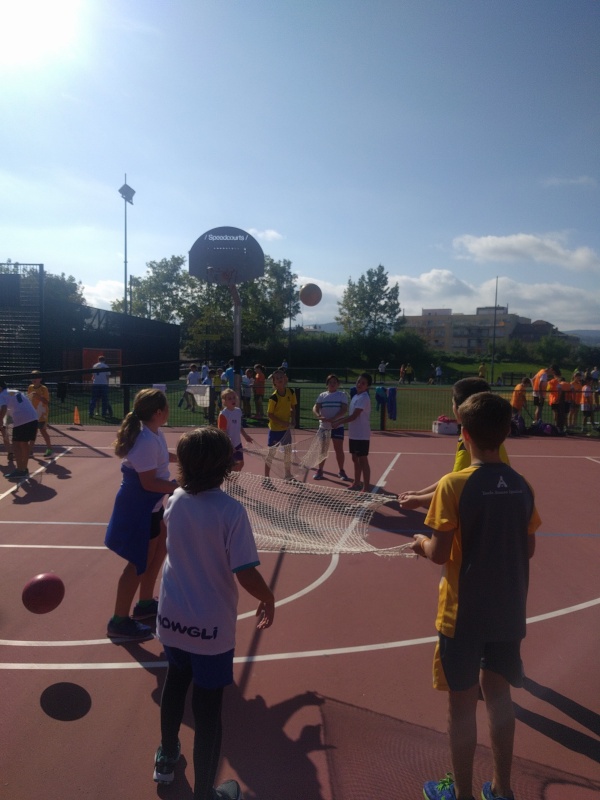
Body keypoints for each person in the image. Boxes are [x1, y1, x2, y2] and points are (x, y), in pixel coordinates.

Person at [409, 392, 540, 800]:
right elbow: (528, 548)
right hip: (508, 610)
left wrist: (419, 544)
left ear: (464, 435)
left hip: (462, 614)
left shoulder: (454, 485)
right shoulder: (521, 485)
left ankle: (462, 794)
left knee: (461, 705)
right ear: (506, 433)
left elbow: (439, 553)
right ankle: (501, 789)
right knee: (499, 696)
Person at [154, 426, 275, 799]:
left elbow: (171, 537)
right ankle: (205, 793)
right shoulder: (230, 511)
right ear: (225, 467)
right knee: (207, 708)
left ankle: (166, 756)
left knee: (176, 682)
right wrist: (268, 597)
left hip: (171, 616)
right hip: (209, 627)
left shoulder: (174, 499)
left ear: (184, 465)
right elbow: (245, 572)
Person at [105, 388, 178, 640]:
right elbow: (148, 483)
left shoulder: (154, 433)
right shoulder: (145, 440)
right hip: (139, 505)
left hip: (152, 504)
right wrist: (180, 487)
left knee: (158, 551)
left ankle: (145, 603)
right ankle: (119, 620)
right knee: (138, 561)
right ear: (158, 412)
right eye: (166, 407)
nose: (168, 411)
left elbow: (160, 457)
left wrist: (184, 457)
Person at [399, 378, 510, 510]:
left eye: (453, 403)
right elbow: (453, 479)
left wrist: (419, 500)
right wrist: (420, 493)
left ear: (460, 408)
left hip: (479, 508)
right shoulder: (489, 434)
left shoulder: (469, 443)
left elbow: (455, 489)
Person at [331, 373, 372, 492]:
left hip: (362, 434)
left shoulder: (364, 398)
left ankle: (366, 487)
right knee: (355, 458)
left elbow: (354, 416)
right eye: (358, 382)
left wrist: (339, 422)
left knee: (362, 460)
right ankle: (357, 482)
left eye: (363, 383)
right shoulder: (356, 396)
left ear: (367, 386)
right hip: (354, 434)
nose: (359, 384)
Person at [312, 374, 351, 481]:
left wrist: (334, 419)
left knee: (338, 449)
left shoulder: (342, 395)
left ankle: (341, 471)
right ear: (327, 384)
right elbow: (316, 407)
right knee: (323, 449)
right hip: (324, 427)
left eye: (335, 382)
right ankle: (320, 470)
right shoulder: (322, 395)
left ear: (338, 384)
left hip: (337, 426)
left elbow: (344, 409)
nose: (332, 384)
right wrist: (318, 416)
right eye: (330, 382)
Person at [0, 378, 38, 480]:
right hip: (33, 417)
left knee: (16, 444)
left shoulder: (2, 395)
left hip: (22, 420)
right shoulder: (13, 391)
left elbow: (3, 408)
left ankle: (20, 469)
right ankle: (23, 468)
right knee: (23, 444)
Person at [264, 369, 297, 482]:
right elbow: (270, 414)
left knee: (287, 453)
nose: (280, 379)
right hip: (275, 430)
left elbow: (293, 407)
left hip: (286, 430)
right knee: (271, 454)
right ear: (274, 382)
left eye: (281, 377)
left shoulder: (291, 392)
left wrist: (293, 419)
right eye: (277, 378)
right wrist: (283, 423)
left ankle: (288, 474)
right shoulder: (274, 397)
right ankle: (266, 478)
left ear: (285, 379)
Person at [218, 389, 254, 472]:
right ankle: (230, 480)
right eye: (229, 398)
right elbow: (223, 432)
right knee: (232, 466)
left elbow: (239, 426)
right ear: (224, 401)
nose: (232, 400)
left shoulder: (238, 411)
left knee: (241, 463)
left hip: (237, 443)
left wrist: (246, 436)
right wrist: (230, 445)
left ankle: (233, 479)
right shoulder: (223, 414)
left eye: (234, 397)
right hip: (228, 445)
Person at [27, 370, 53, 457]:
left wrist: (38, 396)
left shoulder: (43, 389)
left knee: (43, 431)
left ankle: (49, 448)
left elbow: (46, 401)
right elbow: (29, 398)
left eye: (36, 377)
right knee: (32, 432)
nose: (34, 379)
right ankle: (30, 450)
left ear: (40, 378)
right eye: (32, 377)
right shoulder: (30, 387)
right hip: (33, 413)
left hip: (42, 414)